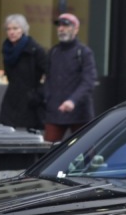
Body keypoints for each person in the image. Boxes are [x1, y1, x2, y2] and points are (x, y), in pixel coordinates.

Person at [42, 12, 98, 143]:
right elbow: (48, 79)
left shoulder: (84, 52)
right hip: (55, 111)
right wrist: (47, 98)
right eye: (59, 26)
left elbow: (89, 81)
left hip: (80, 112)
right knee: (47, 152)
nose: (61, 29)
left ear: (76, 29)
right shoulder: (53, 52)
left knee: (86, 151)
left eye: (66, 25)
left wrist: (72, 101)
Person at [0, 13, 49, 130]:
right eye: (8, 29)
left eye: (15, 28)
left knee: (26, 136)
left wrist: (38, 94)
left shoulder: (35, 49)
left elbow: (50, 73)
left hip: (30, 101)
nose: (12, 32)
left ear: (23, 30)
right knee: (7, 133)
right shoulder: (7, 49)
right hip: (11, 99)